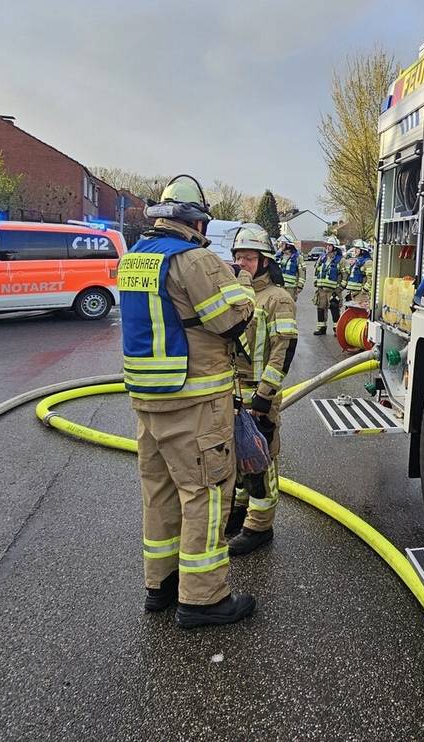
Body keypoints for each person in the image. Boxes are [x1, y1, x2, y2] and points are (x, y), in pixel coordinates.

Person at [118, 174, 257, 629]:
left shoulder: (135, 257)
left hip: (147, 401)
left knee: (158, 492)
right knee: (205, 493)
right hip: (194, 400)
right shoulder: (195, 260)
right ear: (197, 222)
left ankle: (161, 584)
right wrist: (243, 282)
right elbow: (231, 321)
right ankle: (203, 599)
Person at [226, 225, 298, 556]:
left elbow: (283, 349)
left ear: (265, 261)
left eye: (249, 258)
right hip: (234, 392)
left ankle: (259, 527)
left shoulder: (277, 299)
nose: (242, 263)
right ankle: (240, 512)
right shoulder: (238, 295)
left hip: (259, 395)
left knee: (261, 461)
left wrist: (265, 395)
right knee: (240, 458)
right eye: (239, 257)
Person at [312, 235, 345, 335]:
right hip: (321, 289)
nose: (327, 247)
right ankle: (321, 328)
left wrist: (340, 288)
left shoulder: (341, 260)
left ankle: (336, 329)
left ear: (335, 247)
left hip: (333, 290)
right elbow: (317, 270)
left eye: (330, 245)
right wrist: (316, 282)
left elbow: (345, 275)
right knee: (320, 308)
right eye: (327, 245)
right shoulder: (322, 258)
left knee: (334, 308)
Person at [277, 234, 306, 301]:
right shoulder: (278, 256)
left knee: (289, 305)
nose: (280, 245)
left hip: (291, 288)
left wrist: (300, 286)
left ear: (288, 245)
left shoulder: (298, 258)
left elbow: (302, 273)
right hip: (279, 287)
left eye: (283, 243)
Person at [343, 239, 372, 303]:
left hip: (361, 295)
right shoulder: (357, 261)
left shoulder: (368, 262)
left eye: (357, 248)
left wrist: (364, 291)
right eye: (355, 248)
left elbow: (371, 279)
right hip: (352, 293)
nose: (355, 250)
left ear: (363, 251)